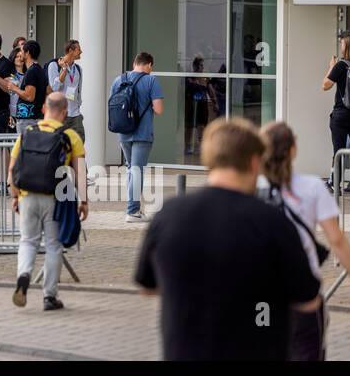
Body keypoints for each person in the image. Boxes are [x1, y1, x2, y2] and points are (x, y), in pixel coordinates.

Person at [135, 118, 321, 360]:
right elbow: (308, 301)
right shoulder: (272, 222)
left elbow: (147, 286)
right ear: (255, 162)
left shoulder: (168, 215)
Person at [259, 121, 350, 360]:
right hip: (303, 294)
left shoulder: (250, 187)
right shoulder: (311, 187)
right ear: (293, 150)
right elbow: (336, 240)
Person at [8, 91, 87, 311]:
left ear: (44, 108)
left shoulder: (27, 133)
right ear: (64, 112)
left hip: (27, 196)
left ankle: (23, 275)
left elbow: (11, 169)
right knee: (53, 246)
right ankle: (49, 297)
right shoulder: (70, 136)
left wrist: (15, 196)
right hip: (54, 198)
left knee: (27, 241)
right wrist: (84, 202)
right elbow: (79, 172)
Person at [109, 52, 165, 222]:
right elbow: (159, 109)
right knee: (137, 171)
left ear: (135, 63)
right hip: (142, 133)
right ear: (149, 65)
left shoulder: (119, 79)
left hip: (123, 131)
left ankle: (133, 208)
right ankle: (133, 211)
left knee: (130, 170)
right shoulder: (151, 80)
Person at [321, 32, 350, 193]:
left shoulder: (341, 65)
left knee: (338, 150)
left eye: (342, 44)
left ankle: (335, 185)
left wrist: (331, 66)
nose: (340, 47)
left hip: (341, 114)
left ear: (346, 47)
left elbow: (325, 85)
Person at [46, 39, 85, 142]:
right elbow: (54, 88)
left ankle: (79, 159)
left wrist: (78, 105)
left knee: (79, 143)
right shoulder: (54, 65)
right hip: (61, 113)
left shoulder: (78, 69)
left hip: (75, 114)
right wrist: (63, 69)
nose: (81, 52)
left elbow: (78, 91)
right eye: (78, 49)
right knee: (61, 145)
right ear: (71, 50)